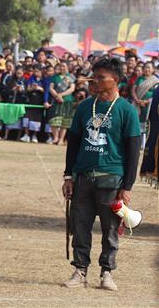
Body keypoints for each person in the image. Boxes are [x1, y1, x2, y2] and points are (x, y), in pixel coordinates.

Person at [62, 57, 141, 291]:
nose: (94, 81)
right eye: (93, 77)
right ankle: (80, 270)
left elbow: (134, 149)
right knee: (80, 226)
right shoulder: (86, 106)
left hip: (112, 179)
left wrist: (127, 186)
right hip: (83, 178)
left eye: (100, 77)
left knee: (110, 230)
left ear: (115, 80)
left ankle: (107, 272)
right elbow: (73, 143)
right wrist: (68, 176)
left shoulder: (126, 110)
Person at [50, 62, 76, 145]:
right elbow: (51, 88)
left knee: (65, 121)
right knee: (54, 120)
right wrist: (57, 96)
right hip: (56, 100)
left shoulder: (71, 77)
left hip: (67, 100)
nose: (62, 68)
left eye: (64, 66)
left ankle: (61, 139)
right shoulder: (55, 77)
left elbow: (72, 89)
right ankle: (55, 138)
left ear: (67, 67)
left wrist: (61, 94)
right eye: (60, 66)